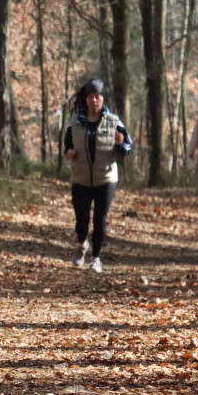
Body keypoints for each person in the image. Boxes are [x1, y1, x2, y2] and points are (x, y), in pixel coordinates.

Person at [63, 78, 133, 273]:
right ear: (85, 99)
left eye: (97, 97)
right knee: (81, 219)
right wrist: (69, 152)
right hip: (81, 177)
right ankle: (82, 244)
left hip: (106, 178)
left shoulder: (114, 121)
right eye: (90, 97)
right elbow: (67, 144)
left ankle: (96, 258)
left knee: (100, 219)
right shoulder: (75, 121)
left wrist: (120, 145)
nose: (94, 100)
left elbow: (127, 148)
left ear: (102, 99)